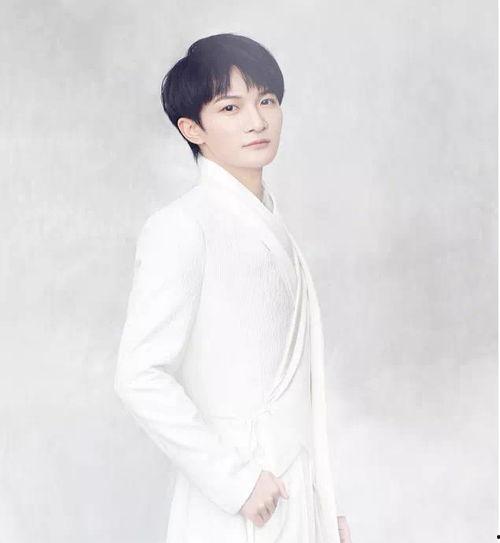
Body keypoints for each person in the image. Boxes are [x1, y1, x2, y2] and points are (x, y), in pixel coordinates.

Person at [114, 33, 352, 543]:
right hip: (239, 505)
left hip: (296, 499)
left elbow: (300, 402)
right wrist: (236, 482)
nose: (257, 121)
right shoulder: (182, 227)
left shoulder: (274, 227)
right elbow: (139, 376)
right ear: (192, 128)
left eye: (267, 101)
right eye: (230, 107)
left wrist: (325, 508)